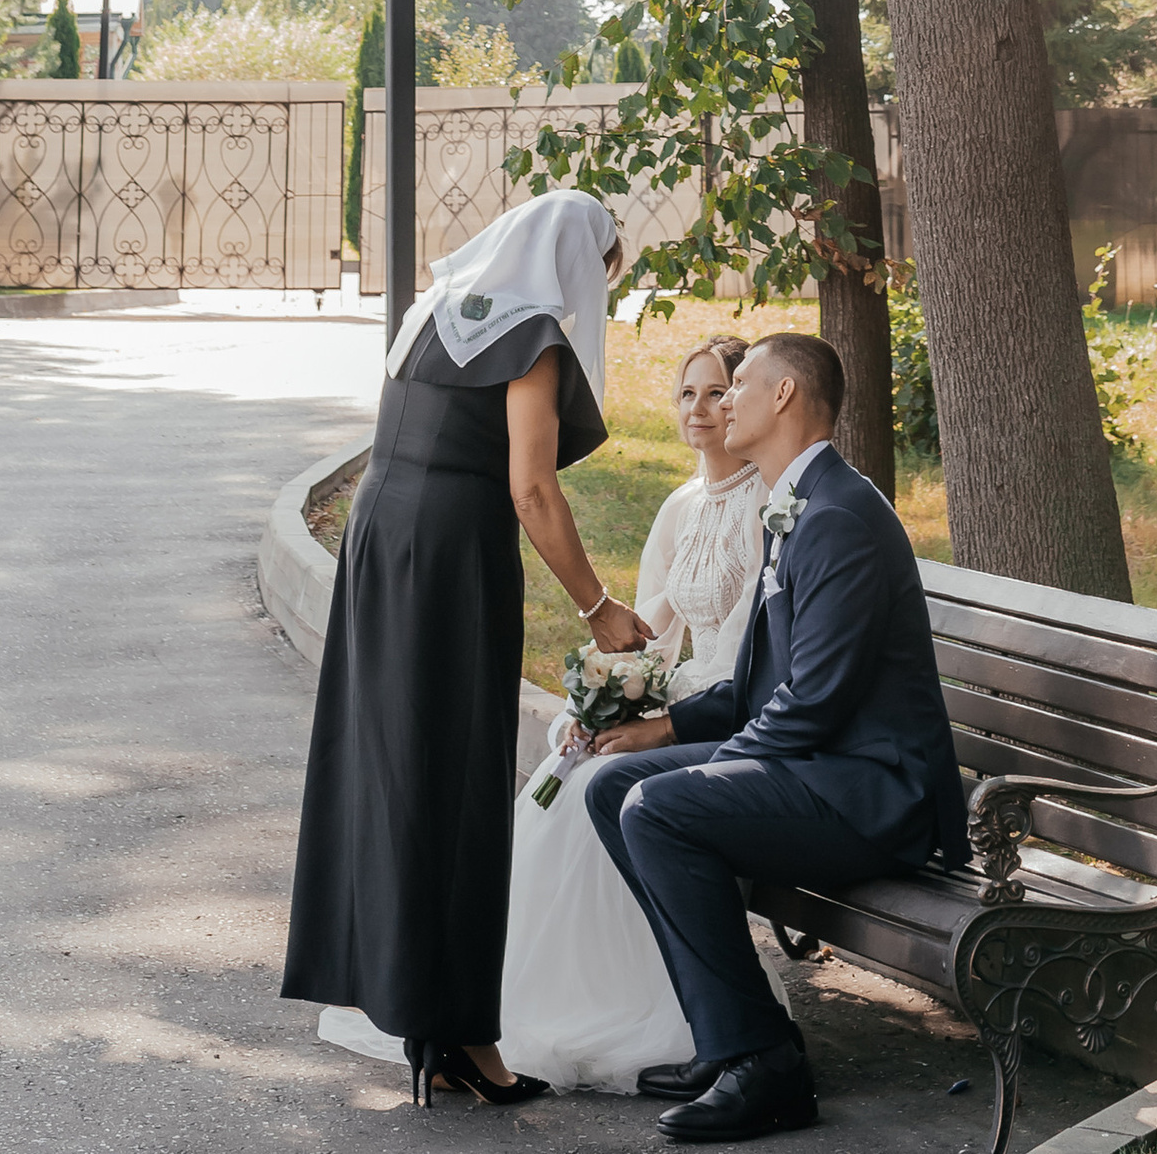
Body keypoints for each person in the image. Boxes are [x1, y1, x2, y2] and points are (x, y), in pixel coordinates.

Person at [284, 189, 653, 1106]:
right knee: (460, 785)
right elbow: (533, 492)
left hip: (381, 539)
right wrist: (600, 608)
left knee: (389, 767)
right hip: (452, 552)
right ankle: (462, 1038)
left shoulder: (429, 312)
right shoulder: (528, 339)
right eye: (595, 273)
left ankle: (422, 1013)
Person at [583, 330, 968, 1144]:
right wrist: (663, 728)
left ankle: (763, 1061)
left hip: (873, 792)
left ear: (785, 396)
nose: (722, 401)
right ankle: (725, 1037)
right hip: (822, 768)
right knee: (616, 785)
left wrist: (706, 771)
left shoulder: (838, 517)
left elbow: (815, 701)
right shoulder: (793, 504)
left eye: (739, 385)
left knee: (657, 808)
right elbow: (764, 681)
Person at [494, 337, 769, 1090]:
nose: (701, 408)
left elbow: (746, 659)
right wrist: (605, 692)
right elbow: (645, 629)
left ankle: (649, 1004)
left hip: (728, 713)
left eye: (717, 393)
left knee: (602, 785)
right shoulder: (682, 505)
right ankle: (542, 995)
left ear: (745, 402)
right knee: (569, 762)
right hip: (682, 699)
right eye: (688, 394)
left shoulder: (766, 509)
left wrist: (654, 714)